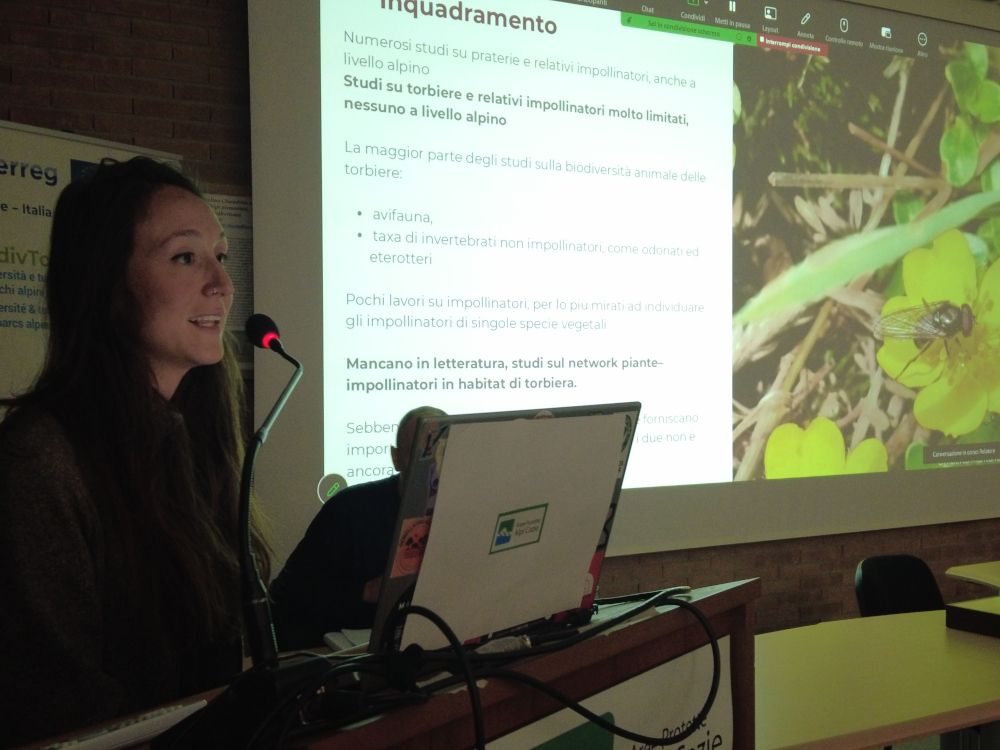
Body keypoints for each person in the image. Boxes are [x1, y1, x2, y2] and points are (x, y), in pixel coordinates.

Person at [0, 158, 270, 748]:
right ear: (107, 283)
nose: (222, 285)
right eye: (185, 257)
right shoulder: (38, 461)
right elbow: (55, 703)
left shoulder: (198, 436)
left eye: (220, 257)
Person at [269, 406, 445, 650]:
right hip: (347, 651)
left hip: (430, 642)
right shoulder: (349, 508)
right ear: (396, 458)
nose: (432, 467)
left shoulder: (463, 510)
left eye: (441, 454)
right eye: (420, 454)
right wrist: (367, 591)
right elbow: (289, 595)